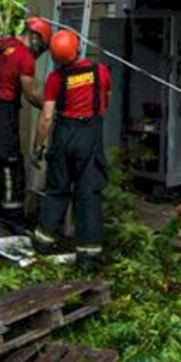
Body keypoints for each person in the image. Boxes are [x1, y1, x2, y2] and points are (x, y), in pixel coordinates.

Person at [32, 29, 111, 272]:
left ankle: (43, 244)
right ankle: (88, 256)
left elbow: (46, 117)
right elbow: (106, 99)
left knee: (57, 189)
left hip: (64, 135)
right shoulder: (101, 72)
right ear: (77, 48)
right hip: (90, 134)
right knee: (88, 193)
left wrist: (38, 146)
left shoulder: (55, 80)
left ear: (56, 58)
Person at [0, 16, 51, 216]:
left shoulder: (7, 43)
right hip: (5, 109)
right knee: (10, 159)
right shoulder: (26, 58)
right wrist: (50, 107)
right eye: (41, 44)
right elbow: (31, 93)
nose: (40, 50)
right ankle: (11, 211)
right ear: (35, 38)